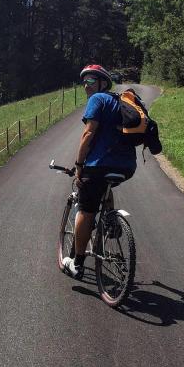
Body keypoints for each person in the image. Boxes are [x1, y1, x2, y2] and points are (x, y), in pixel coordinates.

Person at [62, 64, 137, 279]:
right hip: (126, 166)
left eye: (91, 80)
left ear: (103, 83)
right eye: (84, 80)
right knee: (104, 187)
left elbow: (88, 134)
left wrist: (79, 165)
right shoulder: (119, 102)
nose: (86, 84)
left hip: (98, 165)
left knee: (85, 210)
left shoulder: (97, 100)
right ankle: (110, 221)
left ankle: (77, 263)